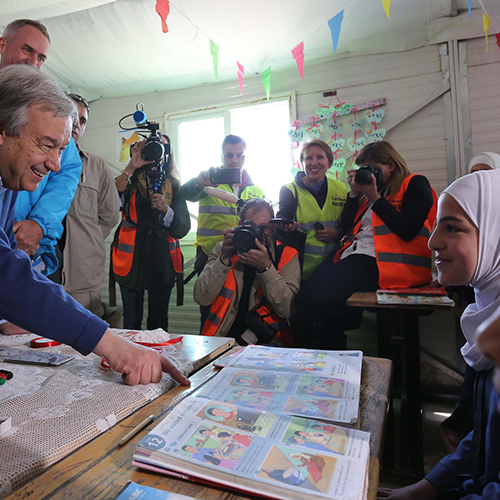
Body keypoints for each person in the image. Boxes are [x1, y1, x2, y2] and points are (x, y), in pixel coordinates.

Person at [0, 65, 189, 387]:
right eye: (46, 144)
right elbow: (6, 273)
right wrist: (114, 346)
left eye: (62, 150)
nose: (55, 164)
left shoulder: (8, 182)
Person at [377, 169, 500, 500]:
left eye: (453, 227)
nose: (432, 241)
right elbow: (488, 437)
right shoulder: (487, 315)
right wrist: (426, 488)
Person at [293, 141, 437, 350]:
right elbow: (346, 227)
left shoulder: (414, 184)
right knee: (306, 298)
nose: (370, 175)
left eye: (374, 169)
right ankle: (328, 362)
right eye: (364, 170)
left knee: (310, 303)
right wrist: (354, 193)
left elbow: (408, 229)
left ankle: (323, 364)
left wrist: (374, 196)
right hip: (357, 257)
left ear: (391, 165)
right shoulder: (372, 193)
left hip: (388, 264)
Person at [0, 19, 83, 280]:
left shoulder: (45, 104)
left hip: (32, 247)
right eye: (26, 50)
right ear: (2, 44)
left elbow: (67, 170)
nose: (33, 62)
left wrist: (40, 225)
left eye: (41, 57)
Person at [181, 134, 264, 329]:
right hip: (211, 257)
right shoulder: (209, 184)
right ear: (222, 157)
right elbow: (186, 193)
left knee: (242, 313)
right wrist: (199, 182)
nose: (234, 159)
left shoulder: (257, 190)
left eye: (239, 155)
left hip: (245, 260)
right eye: (229, 155)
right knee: (210, 312)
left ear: (245, 157)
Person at [194, 198, 301, 347]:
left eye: (264, 228)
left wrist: (266, 268)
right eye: (252, 227)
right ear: (239, 225)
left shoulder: (286, 255)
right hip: (221, 338)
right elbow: (201, 297)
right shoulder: (223, 249)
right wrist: (224, 259)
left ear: (273, 227)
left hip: (266, 341)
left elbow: (286, 310)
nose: (258, 234)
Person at [112, 134, 190, 330]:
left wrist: (166, 210)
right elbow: (110, 203)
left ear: (168, 154)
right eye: (151, 147)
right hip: (131, 261)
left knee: (159, 322)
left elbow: (183, 227)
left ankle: (156, 359)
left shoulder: (173, 186)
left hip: (162, 261)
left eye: (161, 148)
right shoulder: (128, 181)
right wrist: (131, 166)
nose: (155, 153)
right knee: (131, 321)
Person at [60, 93, 121, 317]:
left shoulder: (96, 166)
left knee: (85, 344)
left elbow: (110, 215)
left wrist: (87, 240)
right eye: (72, 116)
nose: (76, 124)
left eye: (83, 121)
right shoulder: (38, 159)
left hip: (83, 280)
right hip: (43, 274)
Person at [277, 139, 348, 281]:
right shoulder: (289, 190)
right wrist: (286, 228)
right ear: (302, 163)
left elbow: (349, 224)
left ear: (329, 163)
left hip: (332, 267)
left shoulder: (341, 189)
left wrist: (337, 233)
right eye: (308, 158)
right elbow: (282, 222)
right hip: (298, 270)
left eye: (320, 157)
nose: (314, 163)